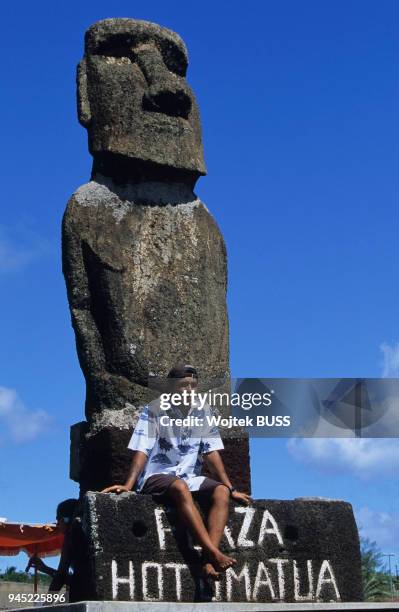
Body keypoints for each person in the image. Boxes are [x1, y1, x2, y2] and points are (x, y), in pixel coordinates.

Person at [102, 364, 252, 580]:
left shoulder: (204, 411)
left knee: (221, 493)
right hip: (157, 476)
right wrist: (128, 485)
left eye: (193, 385)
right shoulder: (154, 409)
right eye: (183, 385)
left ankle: (208, 562)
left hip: (190, 476)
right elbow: (142, 449)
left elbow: (211, 453)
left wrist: (231, 488)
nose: (188, 389)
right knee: (179, 487)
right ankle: (212, 553)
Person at [27, 499, 79, 592]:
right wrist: (45, 569)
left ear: (65, 519)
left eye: (58, 519)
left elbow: (61, 577)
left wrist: (47, 603)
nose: (57, 524)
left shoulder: (70, 537)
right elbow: (76, 581)